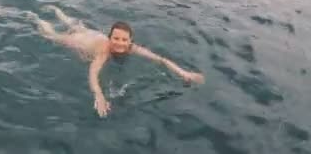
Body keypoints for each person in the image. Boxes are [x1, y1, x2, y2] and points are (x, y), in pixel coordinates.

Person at [29, 6, 205, 117]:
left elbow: (161, 60)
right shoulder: (104, 52)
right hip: (79, 42)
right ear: (110, 37)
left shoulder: (132, 48)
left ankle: (57, 11)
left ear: (130, 41)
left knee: (76, 25)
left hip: (90, 34)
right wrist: (99, 95)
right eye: (116, 38)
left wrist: (184, 73)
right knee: (53, 35)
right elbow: (93, 73)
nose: (120, 43)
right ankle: (37, 18)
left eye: (123, 40)